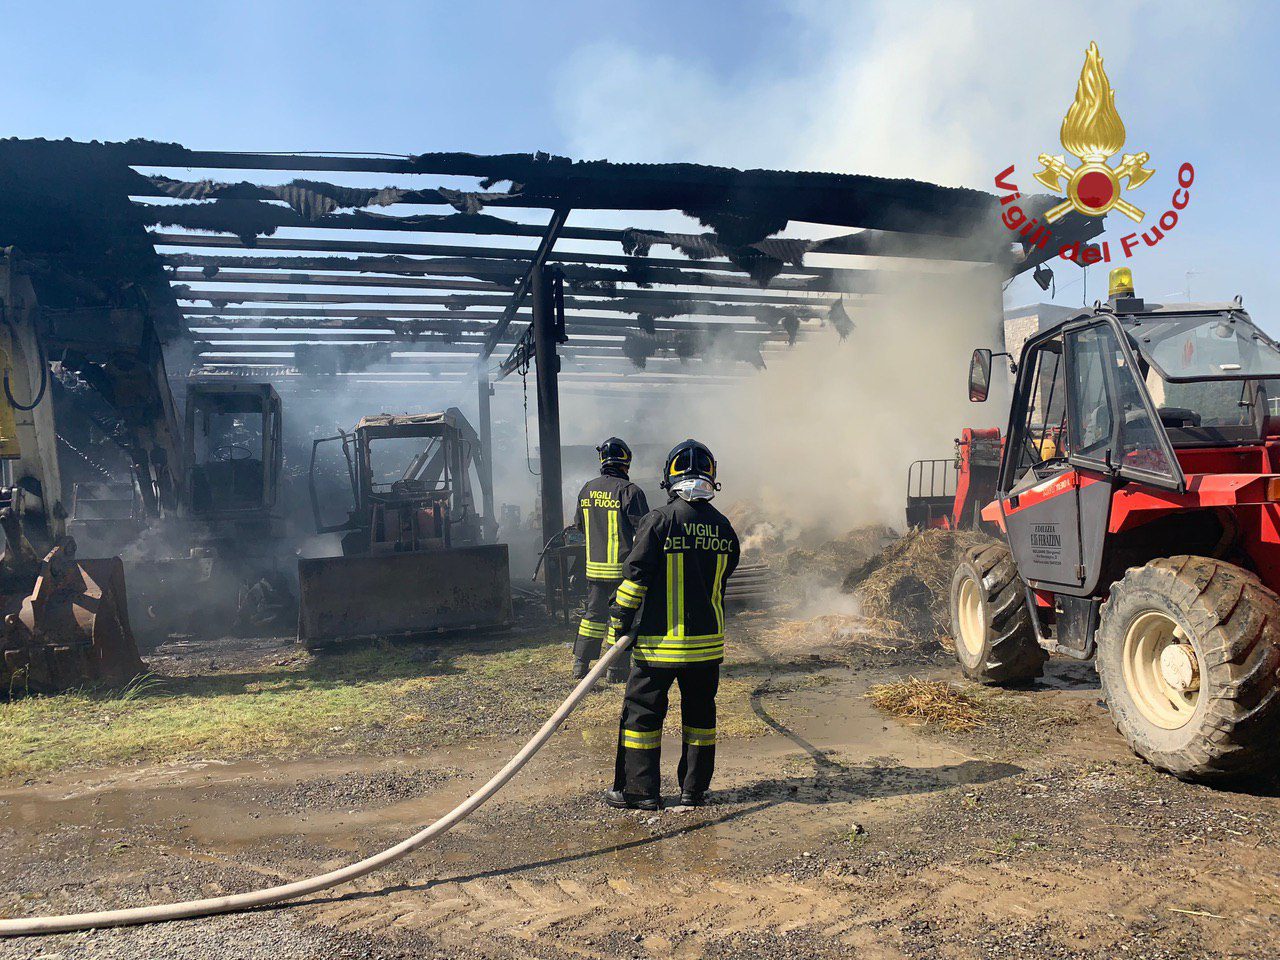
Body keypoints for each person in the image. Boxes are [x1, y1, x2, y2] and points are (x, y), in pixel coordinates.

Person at [605, 439, 740, 810]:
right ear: (712, 477)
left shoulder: (660, 520)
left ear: (670, 477)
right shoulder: (724, 527)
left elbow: (634, 579)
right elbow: (724, 577)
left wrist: (618, 625)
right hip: (707, 647)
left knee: (642, 716)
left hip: (658, 645)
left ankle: (640, 792)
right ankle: (694, 790)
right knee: (700, 717)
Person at [572, 437, 650, 682]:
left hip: (595, 571)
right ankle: (615, 672)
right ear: (625, 461)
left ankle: (580, 666)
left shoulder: (586, 488)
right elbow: (646, 530)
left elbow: (579, 526)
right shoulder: (630, 491)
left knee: (592, 618)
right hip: (622, 572)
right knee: (620, 619)